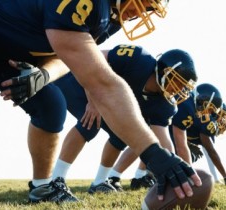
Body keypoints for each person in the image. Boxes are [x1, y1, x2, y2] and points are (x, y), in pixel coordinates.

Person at [0, 0, 201, 204]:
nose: (141, 12)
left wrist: (44, 75)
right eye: (144, 3)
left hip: (8, 45)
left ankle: (42, 188)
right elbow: (104, 84)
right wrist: (154, 153)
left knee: (50, 106)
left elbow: (64, 52)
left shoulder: (109, 16)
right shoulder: (90, 5)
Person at [51, 44, 198, 195]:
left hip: (106, 97)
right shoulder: (138, 59)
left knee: (122, 135)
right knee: (91, 121)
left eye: (183, 87)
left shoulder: (164, 104)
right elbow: (95, 57)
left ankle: (100, 182)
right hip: (79, 81)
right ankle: (55, 180)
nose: (179, 90)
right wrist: (92, 99)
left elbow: (164, 140)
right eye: (178, 82)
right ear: (164, 70)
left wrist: (173, 165)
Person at [170, 83, 226, 185]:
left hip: (173, 131)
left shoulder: (196, 110)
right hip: (169, 130)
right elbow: (211, 152)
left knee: (191, 155)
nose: (222, 123)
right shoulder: (205, 119)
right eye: (222, 117)